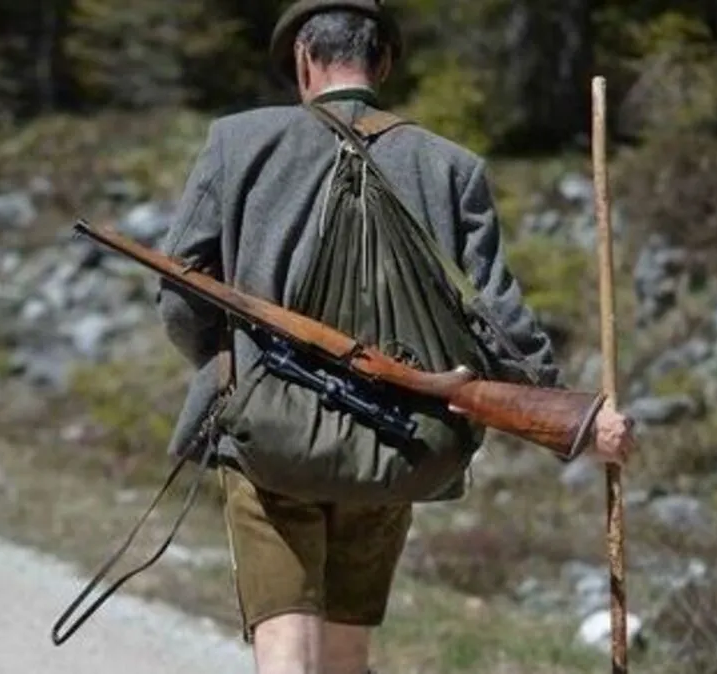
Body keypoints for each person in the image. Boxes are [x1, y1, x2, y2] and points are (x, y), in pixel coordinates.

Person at [154, 2, 637, 673]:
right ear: (380, 61)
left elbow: (181, 298)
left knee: (285, 649)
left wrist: (233, 366)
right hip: (395, 441)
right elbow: (499, 320)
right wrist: (575, 420)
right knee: (347, 651)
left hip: (268, 440)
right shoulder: (451, 166)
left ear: (303, 58)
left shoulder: (235, 144)